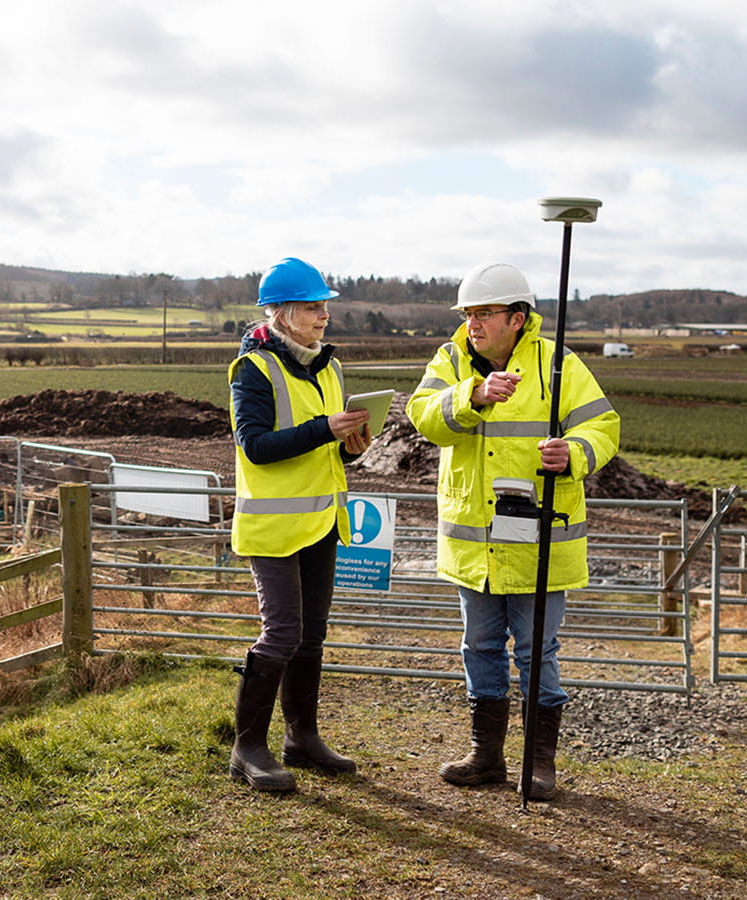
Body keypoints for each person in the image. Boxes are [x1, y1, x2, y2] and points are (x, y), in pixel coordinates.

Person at [405, 261, 619, 801]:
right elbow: (422, 416)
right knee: (478, 646)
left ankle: (537, 764)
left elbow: (605, 426)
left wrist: (573, 452)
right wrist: (470, 396)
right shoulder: (452, 360)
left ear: (518, 319)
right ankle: (487, 757)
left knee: (535, 651)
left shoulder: (558, 364)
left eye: (484, 313)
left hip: (540, 540)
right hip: (474, 544)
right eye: (468, 313)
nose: (473, 323)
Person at [227, 256, 374, 792]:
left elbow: (329, 449)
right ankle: (247, 748)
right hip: (272, 529)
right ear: (282, 314)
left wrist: (352, 445)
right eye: (313, 307)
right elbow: (256, 447)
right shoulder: (253, 370)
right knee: (282, 632)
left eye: (324, 306)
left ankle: (301, 738)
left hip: (321, 521)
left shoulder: (330, 368)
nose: (323, 316)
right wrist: (323, 429)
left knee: (311, 635)